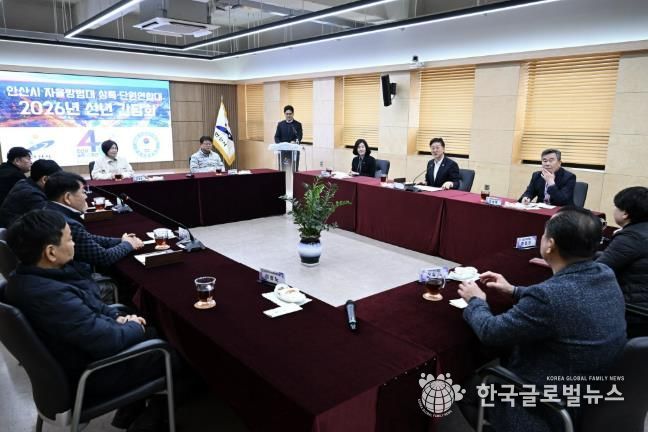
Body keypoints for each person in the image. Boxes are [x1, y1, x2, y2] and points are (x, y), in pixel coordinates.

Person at [4, 209, 180, 431]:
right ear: (51, 252)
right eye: (70, 239)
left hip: (73, 360)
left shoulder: (28, 279)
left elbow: (89, 307)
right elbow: (107, 341)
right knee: (173, 348)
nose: (74, 244)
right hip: (91, 375)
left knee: (144, 326)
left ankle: (132, 409)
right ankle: (156, 416)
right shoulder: (50, 295)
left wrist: (117, 317)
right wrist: (135, 326)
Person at [457, 207, 626, 431]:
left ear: (550, 245)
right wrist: (513, 290)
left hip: (550, 405)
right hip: (596, 394)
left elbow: (491, 332)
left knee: (463, 386)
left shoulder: (548, 296)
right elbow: (564, 298)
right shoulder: (605, 273)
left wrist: (475, 301)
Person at [44, 172, 144, 300]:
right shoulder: (67, 223)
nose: (86, 196)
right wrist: (128, 245)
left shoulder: (50, 209)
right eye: (83, 192)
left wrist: (121, 240)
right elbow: (104, 257)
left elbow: (88, 238)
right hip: (75, 282)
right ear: (68, 197)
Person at [597, 186, 648, 338]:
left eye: (616, 207)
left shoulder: (631, 237)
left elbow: (598, 271)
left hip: (634, 312)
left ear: (625, 213)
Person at [0, 159, 61, 227]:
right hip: (15, 229)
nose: (59, 183)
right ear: (44, 179)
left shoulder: (27, 182)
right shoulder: (31, 194)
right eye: (57, 180)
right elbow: (50, 218)